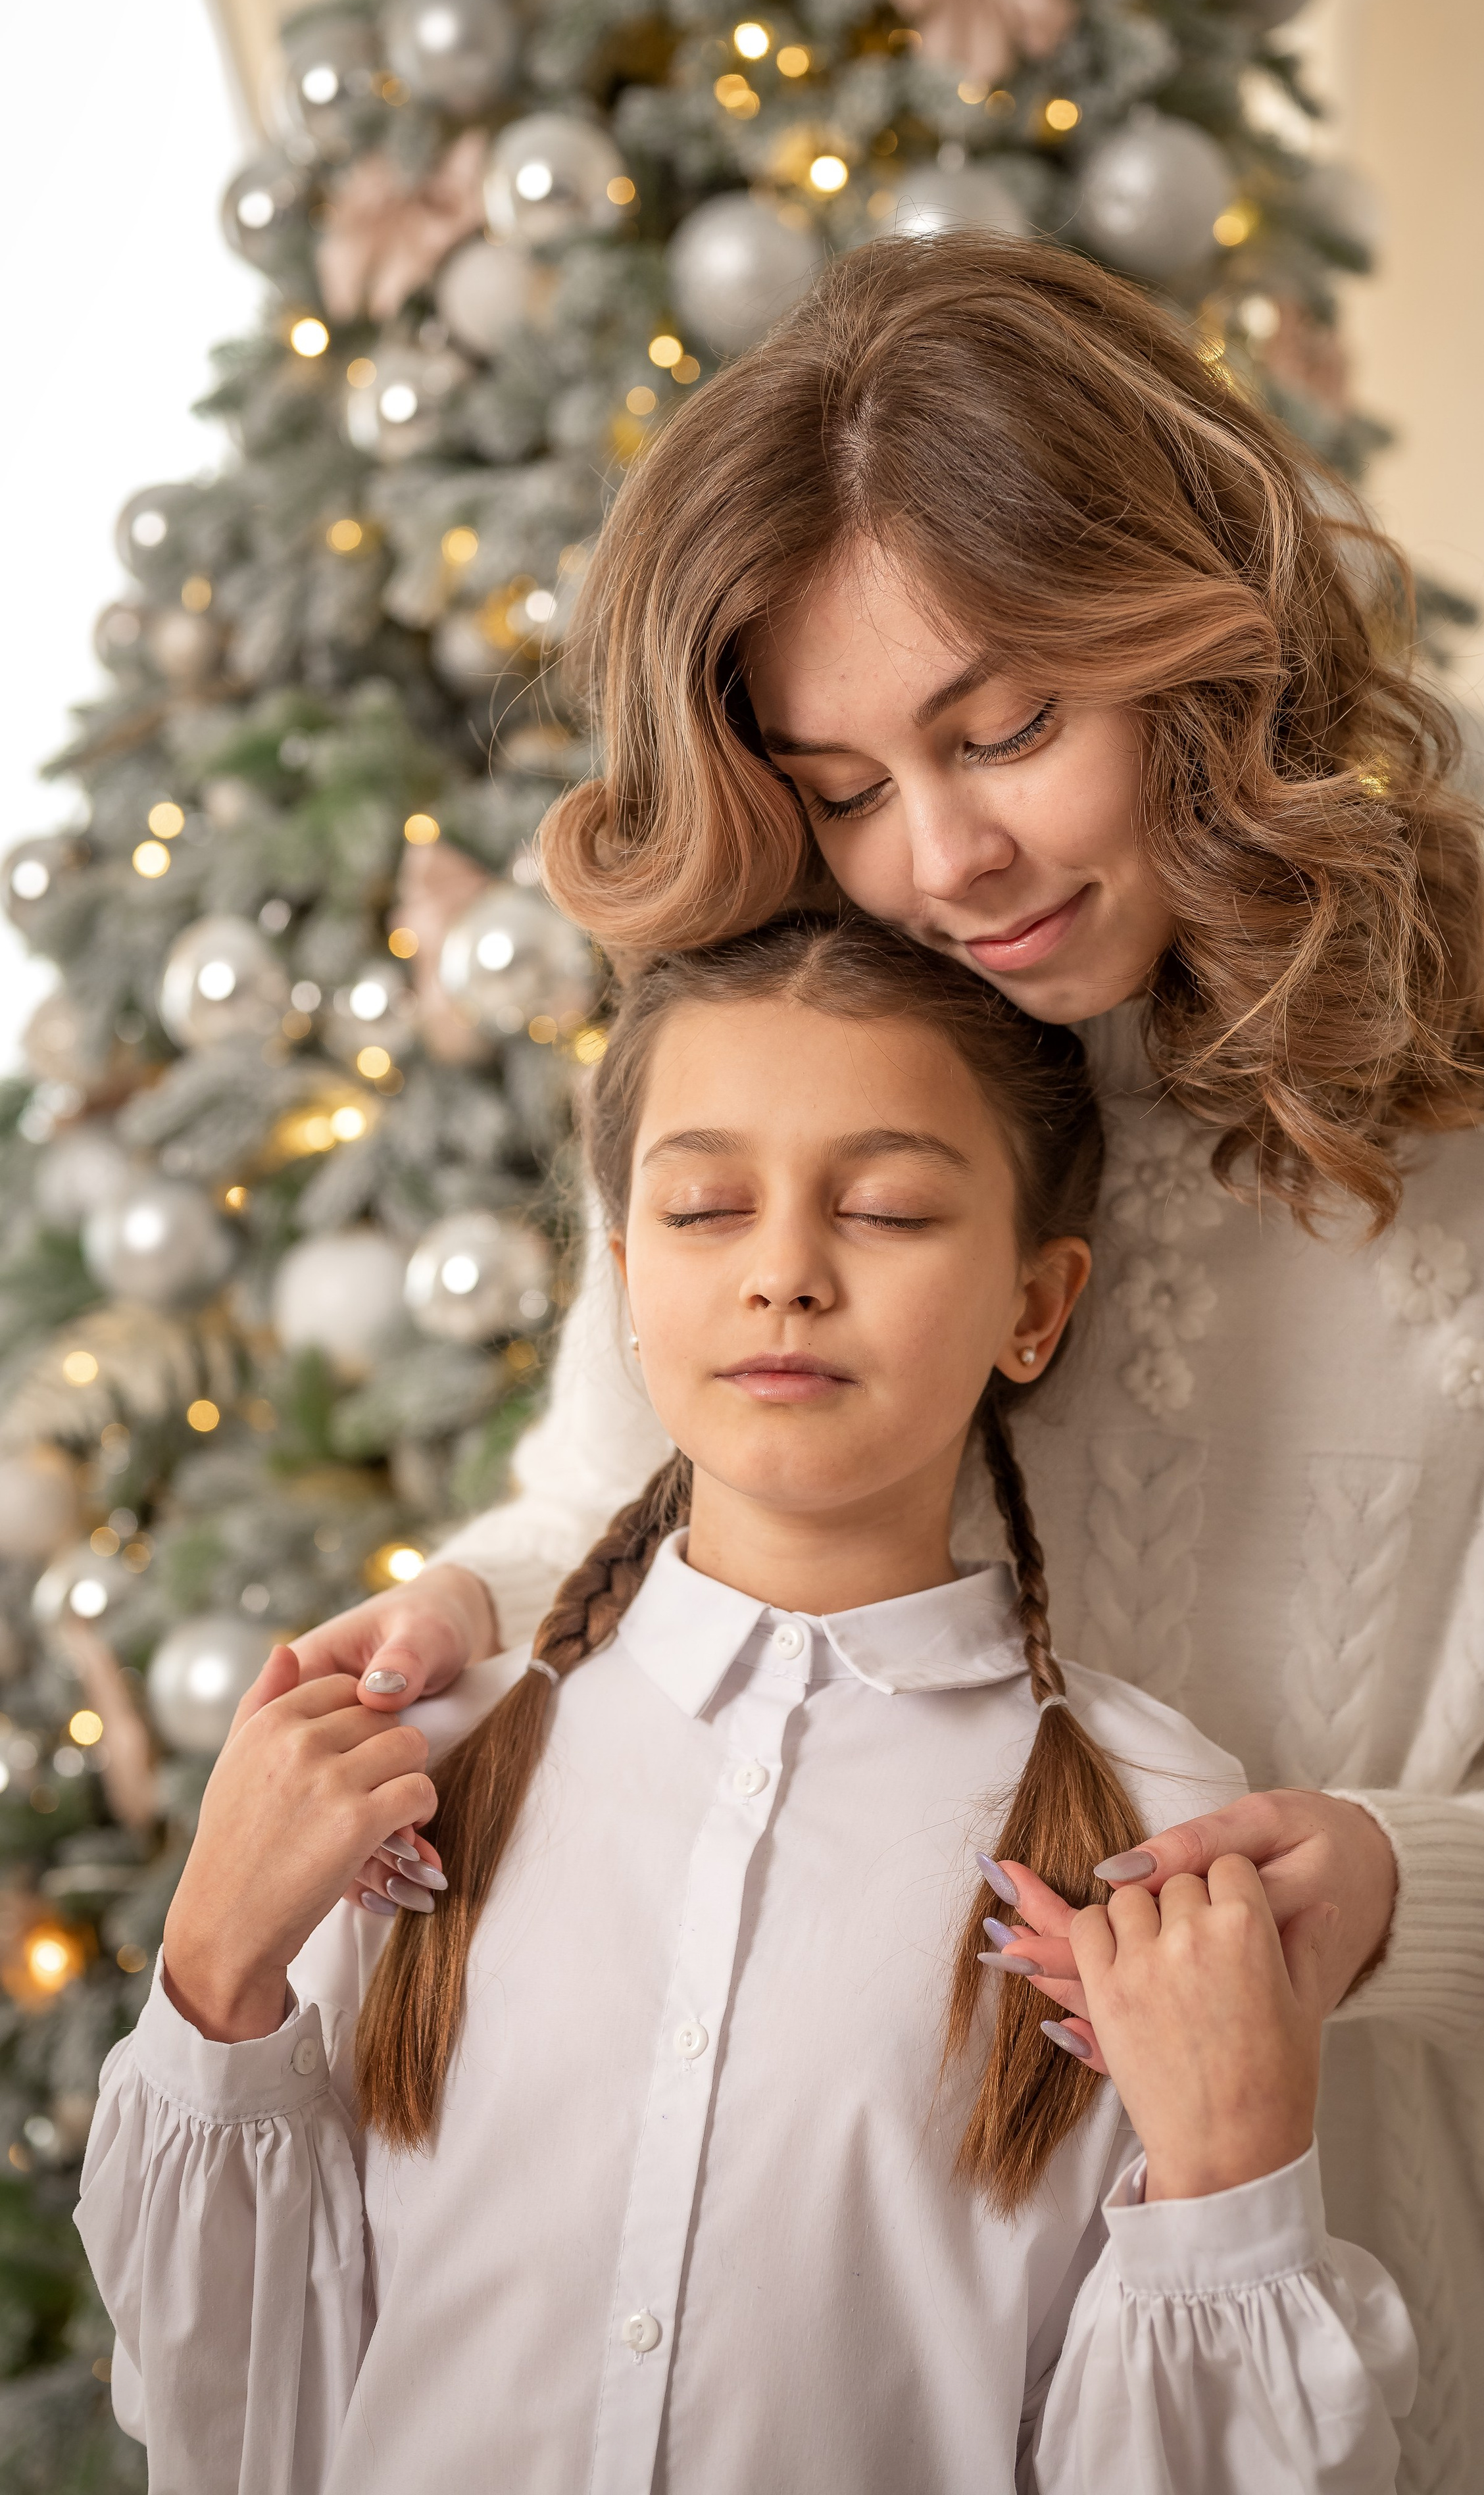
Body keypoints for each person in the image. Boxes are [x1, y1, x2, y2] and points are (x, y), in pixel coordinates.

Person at [286, 235, 1484, 2494]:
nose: (939, 862)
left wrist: (1386, 1883)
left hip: (1284, 2303)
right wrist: (450, 1614)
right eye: (838, 782)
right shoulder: (815, 1061)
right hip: (773, 2318)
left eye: (1007, 725)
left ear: (1210, 647)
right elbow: (605, 1508)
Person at [77, 918, 1415, 2494]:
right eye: (708, 1207)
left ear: (1034, 1306)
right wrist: (215, 1972)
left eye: (889, 1207)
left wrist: (1227, 2178)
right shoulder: (410, 1784)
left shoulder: (1155, 1838)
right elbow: (234, 2408)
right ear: (631, 1283)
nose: (784, 1270)